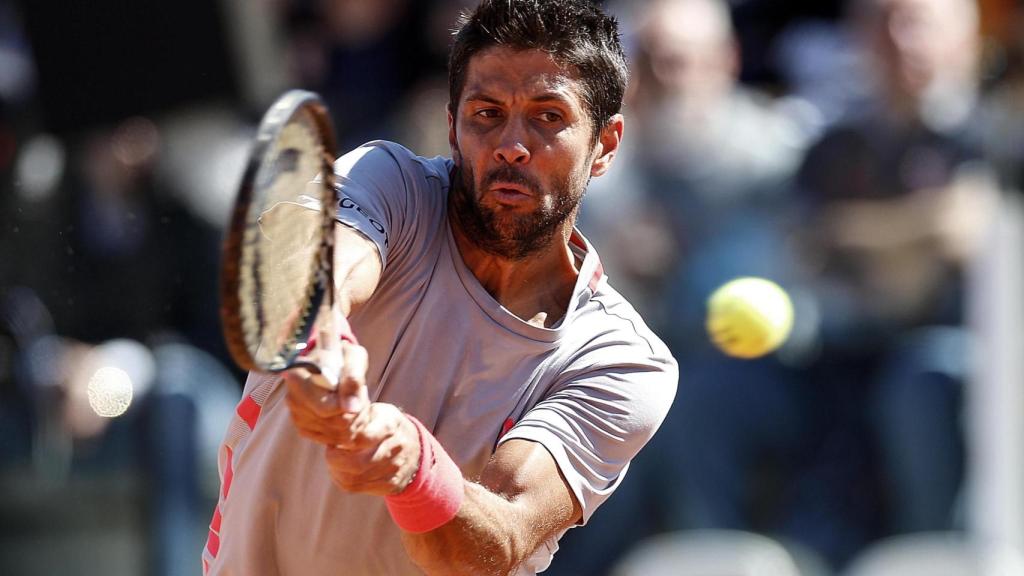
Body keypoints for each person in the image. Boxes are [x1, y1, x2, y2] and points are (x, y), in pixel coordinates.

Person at [202, 1, 678, 575]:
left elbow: (495, 546)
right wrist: (323, 346)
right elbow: (319, 271)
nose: (511, 144)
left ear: (605, 145)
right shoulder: (388, 180)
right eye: (487, 112)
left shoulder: (622, 362)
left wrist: (411, 467)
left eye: (548, 117)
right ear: (452, 126)